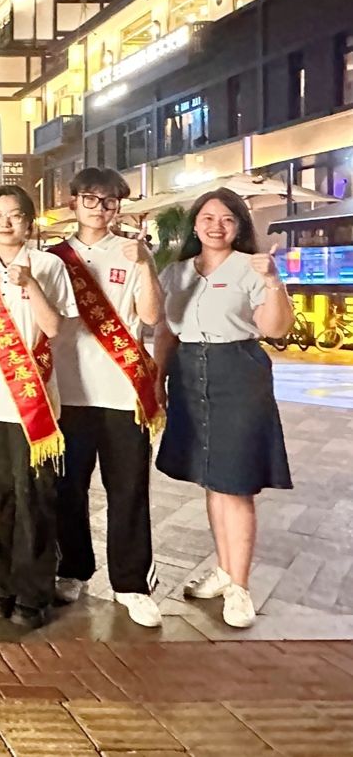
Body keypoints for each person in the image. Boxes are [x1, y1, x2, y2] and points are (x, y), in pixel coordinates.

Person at [153, 188, 292, 629]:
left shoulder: (252, 267)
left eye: (227, 219)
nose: (217, 226)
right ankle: (224, 570)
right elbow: (165, 331)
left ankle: (240, 586)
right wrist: (157, 379)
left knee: (236, 481)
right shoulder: (175, 273)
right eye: (208, 218)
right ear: (195, 224)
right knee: (212, 478)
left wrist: (272, 281)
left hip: (238, 372)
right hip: (189, 372)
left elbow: (275, 327)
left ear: (239, 226)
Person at [48, 167, 165, 628]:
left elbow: (151, 317)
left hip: (122, 394)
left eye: (110, 201)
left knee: (129, 490)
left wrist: (146, 264)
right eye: (91, 199)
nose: (100, 208)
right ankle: (73, 569)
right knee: (67, 490)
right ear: (73, 203)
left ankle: (132, 584)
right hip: (69, 392)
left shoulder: (132, 253)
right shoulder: (53, 259)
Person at [0, 185, 76, 630]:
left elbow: (55, 328)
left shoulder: (49, 266)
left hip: (35, 406)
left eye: (15, 215)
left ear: (29, 222)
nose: (5, 223)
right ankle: (1, 587)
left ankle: (34, 593)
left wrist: (30, 284)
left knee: (36, 503)